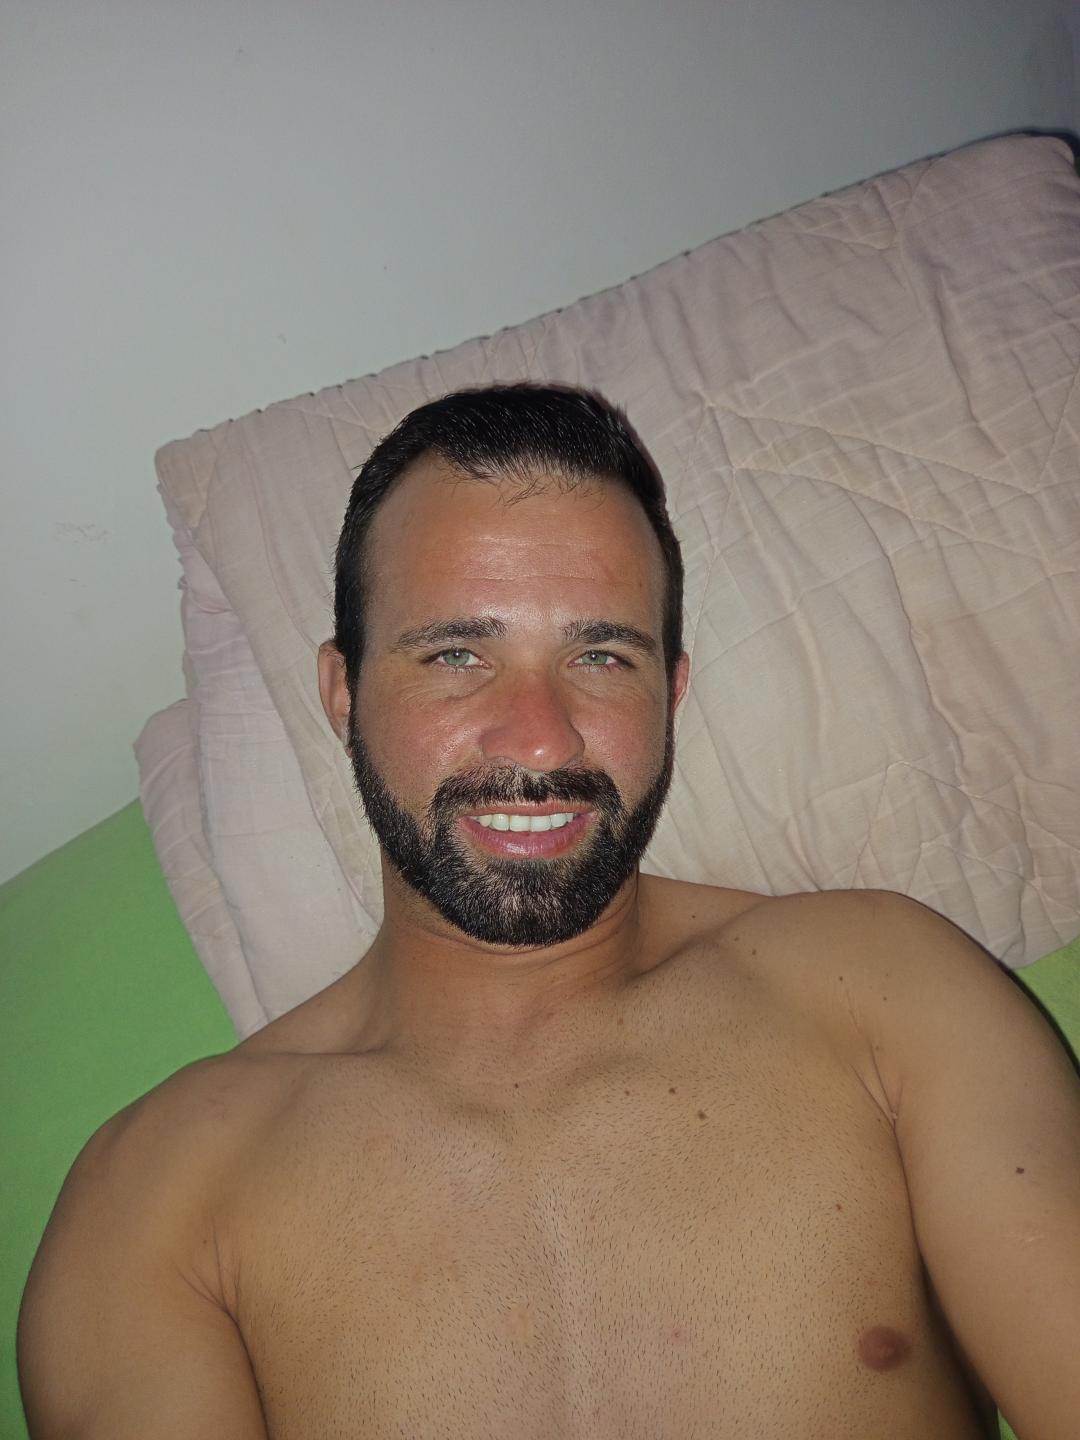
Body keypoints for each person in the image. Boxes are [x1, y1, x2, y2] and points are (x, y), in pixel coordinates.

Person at [18, 385, 1080, 1439]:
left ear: (671, 692)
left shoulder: (883, 989)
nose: (540, 737)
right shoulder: (160, 1190)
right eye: (457, 656)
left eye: (600, 657)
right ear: (343, 693)